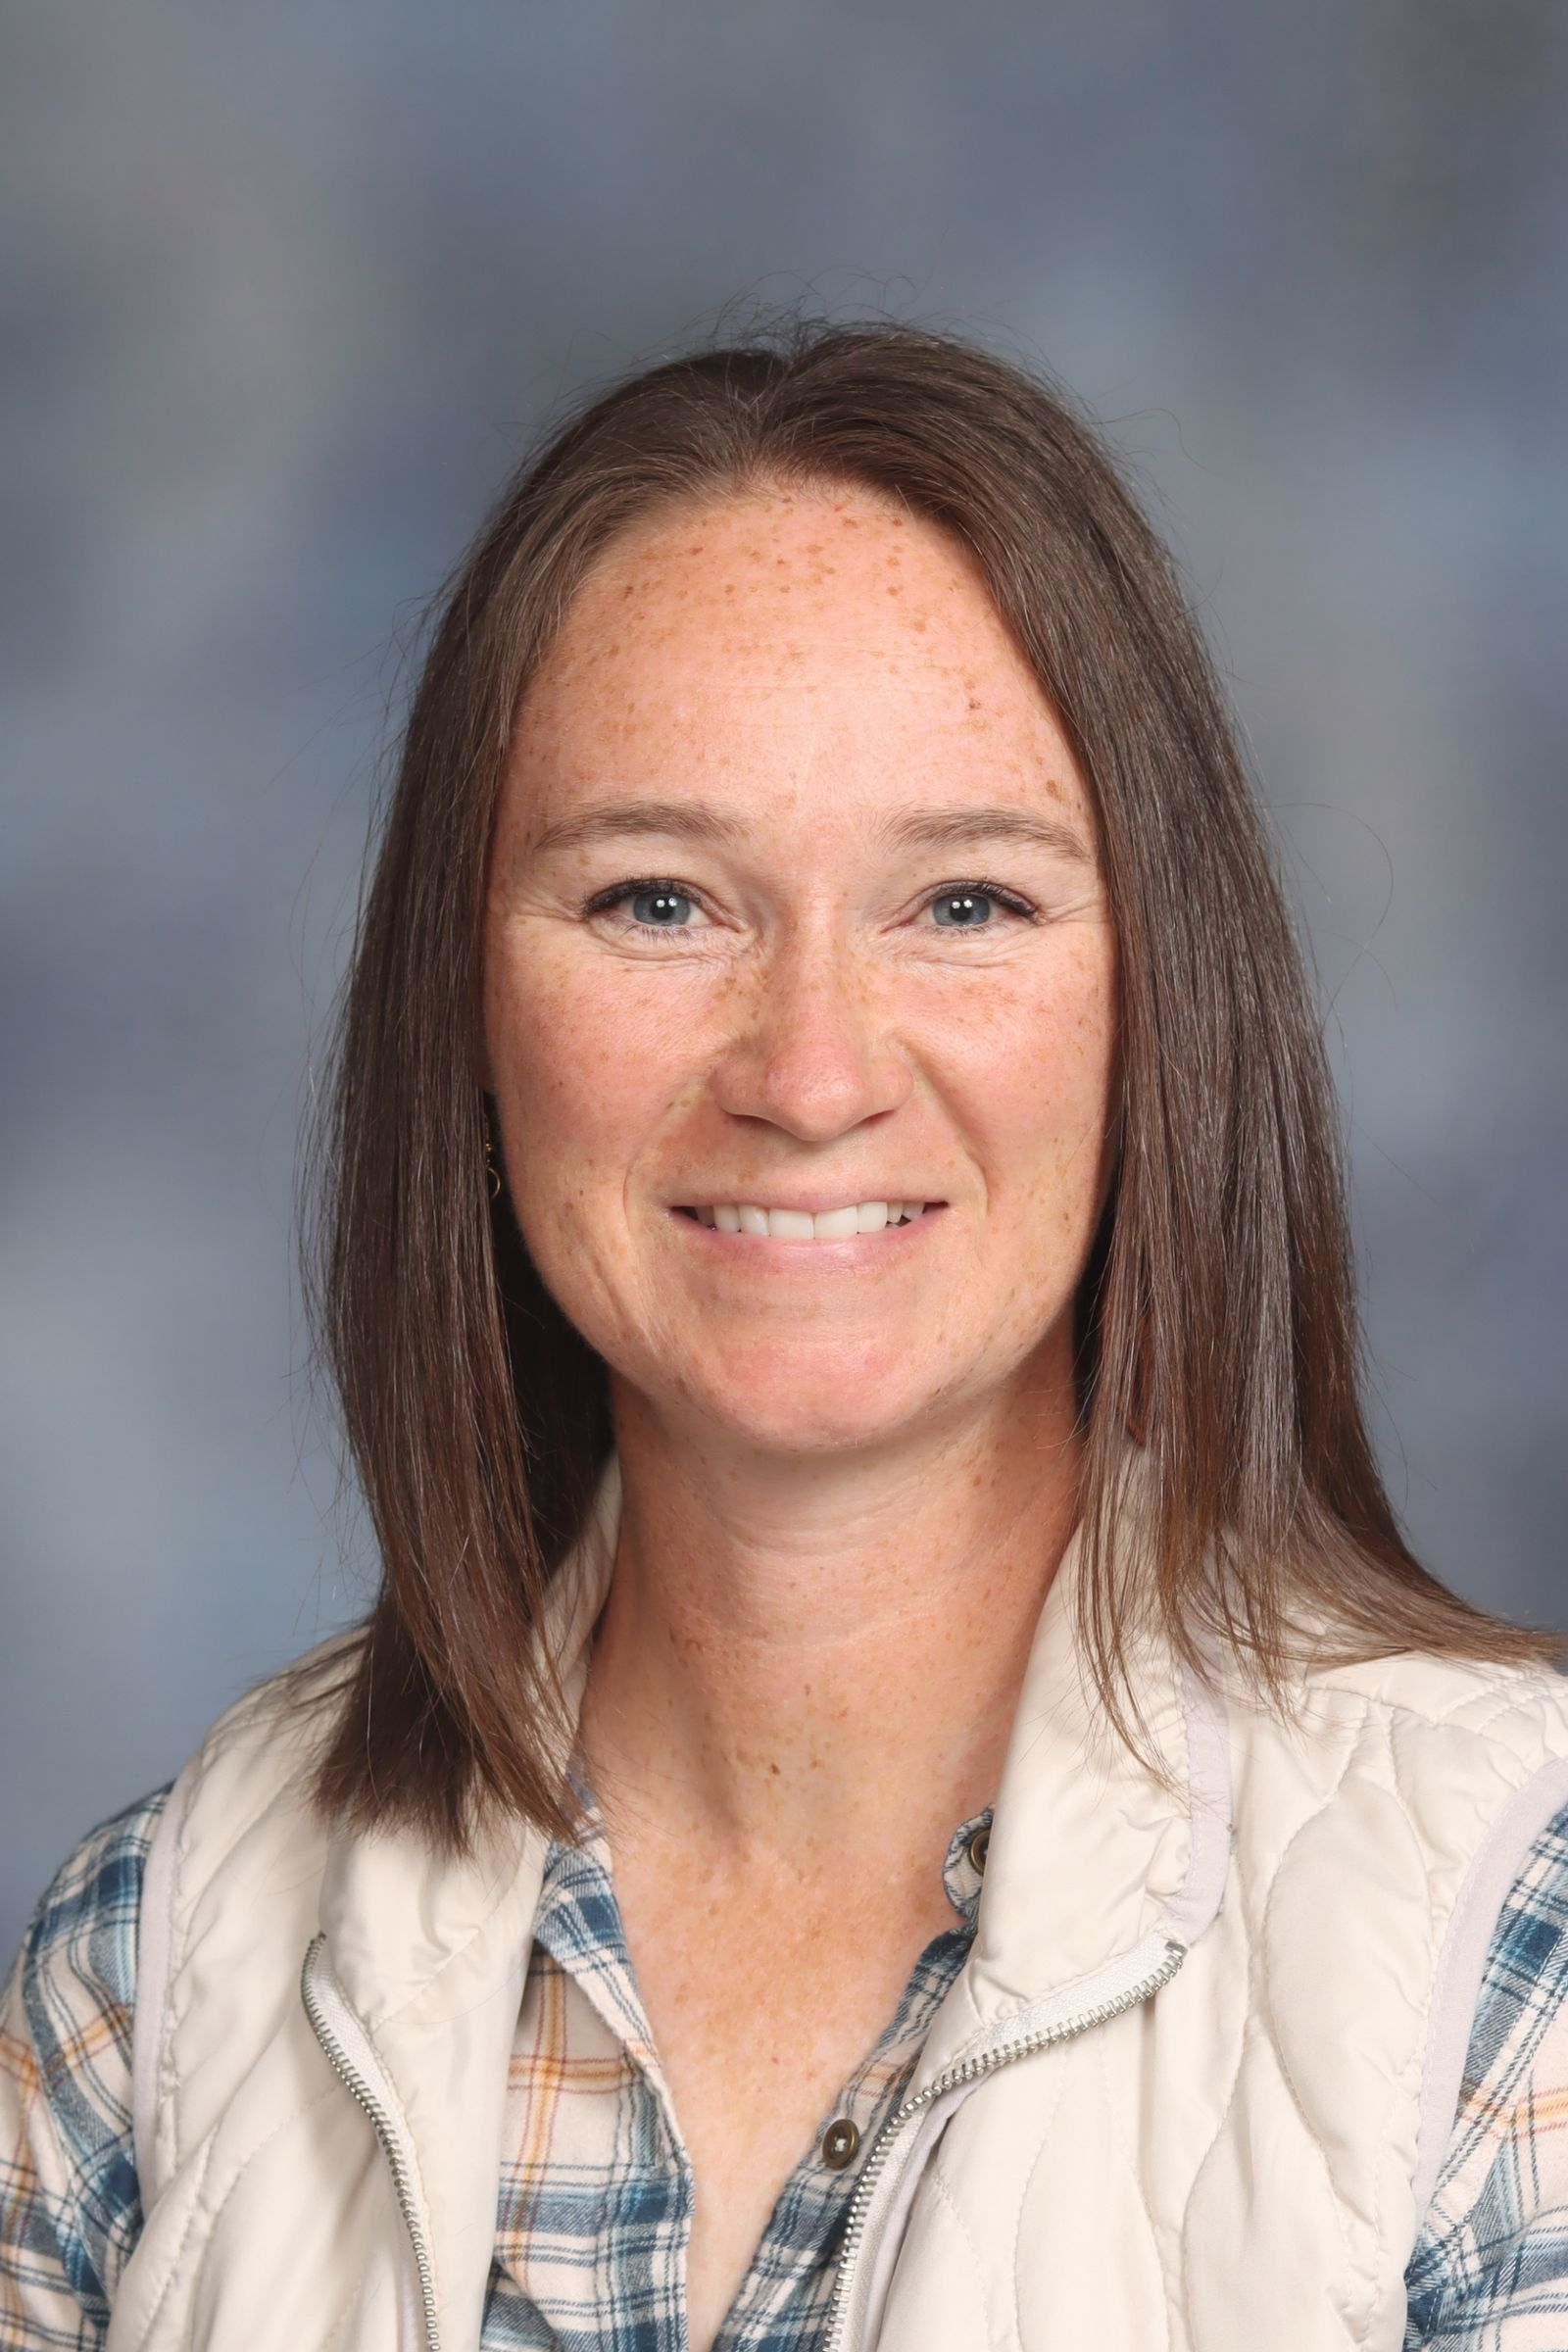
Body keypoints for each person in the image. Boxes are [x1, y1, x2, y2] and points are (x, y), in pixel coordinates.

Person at [4, 320, 1567, 2352]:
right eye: (659, 902)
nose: (810, 1071)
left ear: (1154, 1000)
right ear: (465, 1013)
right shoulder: (153, 1977)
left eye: (966, 905)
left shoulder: (1503, 1956)